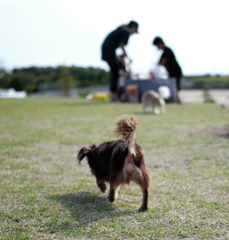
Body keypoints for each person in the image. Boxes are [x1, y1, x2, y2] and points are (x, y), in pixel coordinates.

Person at [101, 20, 138, 101]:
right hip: (109, 51)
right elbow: (122, 45)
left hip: (107, 50)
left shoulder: (122, 30)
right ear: (133, 27)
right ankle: (114, 96)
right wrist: (127, 57)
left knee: (115, 72)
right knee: (116, 73)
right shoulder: (127, 32)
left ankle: (114, 95)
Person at [153, 36, 182, 104]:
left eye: (157, 46)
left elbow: (162, 61)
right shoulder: (165, 51)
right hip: (172, 72)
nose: (157, 48)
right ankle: (178, 100)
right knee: (175, 87)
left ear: (160, 43)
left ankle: (178, 101)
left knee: (175, 87)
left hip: (175, 71)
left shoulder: (167, 50)